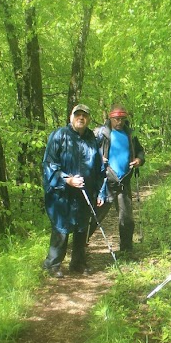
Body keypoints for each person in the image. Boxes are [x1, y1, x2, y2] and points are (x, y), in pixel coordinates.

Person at [42, 104, 105, 278]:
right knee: (61, 229)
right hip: (62, 194)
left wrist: (100, 191)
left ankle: (77, 263)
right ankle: (52, 264)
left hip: (85, 192)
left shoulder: (92, 139)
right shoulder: (59, 135)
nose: (81, 118)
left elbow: (99, 168)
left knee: (81, 229)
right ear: (71, 117)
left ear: (88, 119)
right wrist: (67, 180)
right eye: (78, 115)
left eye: (84, 115)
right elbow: (49, 164)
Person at [94, 106, 146, 254]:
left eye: (122, 119)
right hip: (105, 182)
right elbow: (89, 151)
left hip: (123, 182)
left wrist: (139, 160)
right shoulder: (101, 134)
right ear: (110, 118)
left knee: (127, 219)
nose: (120, 122)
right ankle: (80, 249)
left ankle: (126, 250)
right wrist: (99, 158)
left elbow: (140, 151)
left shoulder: (130, 134)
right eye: (117, 119)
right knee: (94, 216)